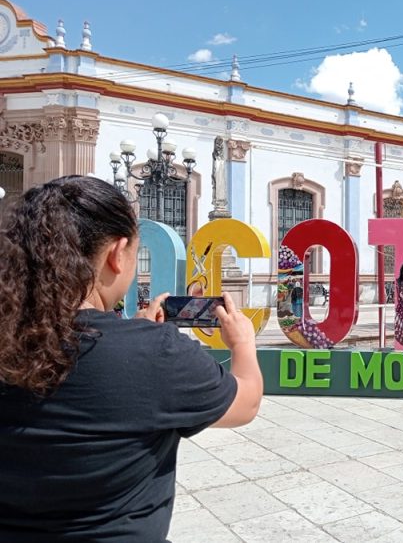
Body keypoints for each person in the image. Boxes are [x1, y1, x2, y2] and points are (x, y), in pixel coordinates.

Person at [0, 176, 263, 542]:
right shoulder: (156, 353)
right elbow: (245, 401)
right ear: (116, 253)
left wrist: (133, 333)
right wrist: (242, 344)